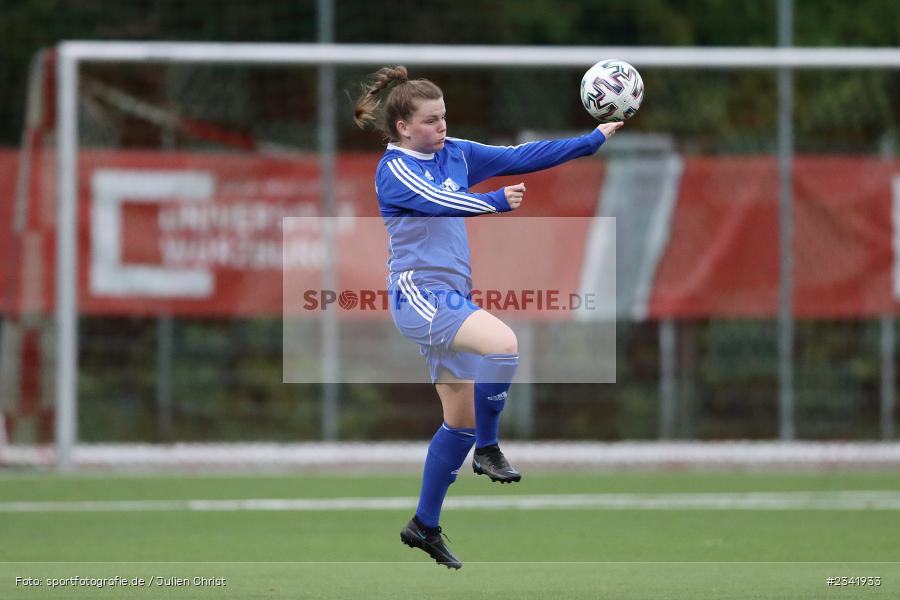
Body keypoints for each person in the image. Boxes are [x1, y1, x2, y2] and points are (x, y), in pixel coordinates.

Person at [353, 65, 622, 569]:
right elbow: (438, 202)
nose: (442, 128)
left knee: (459, 422)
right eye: (431, 121)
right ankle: (490, 451)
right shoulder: (394, 170)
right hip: (420, 295)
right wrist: (494, 203)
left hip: (450, 296)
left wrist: (588, 141)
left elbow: (520, 156)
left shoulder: (453, 153)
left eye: (445, 118)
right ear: (403, 127)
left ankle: (424, 524)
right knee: (502, 343)